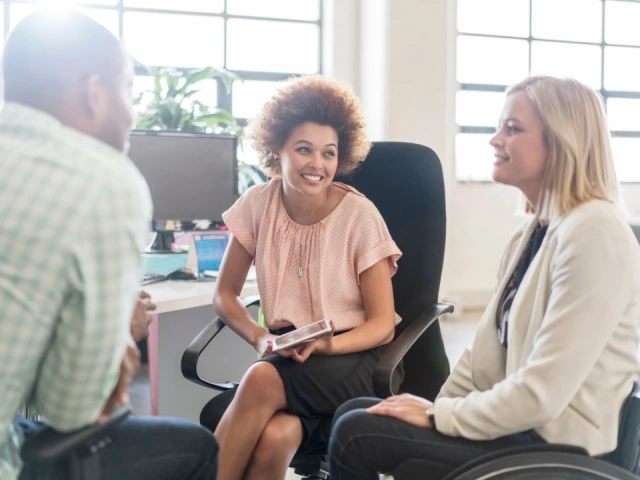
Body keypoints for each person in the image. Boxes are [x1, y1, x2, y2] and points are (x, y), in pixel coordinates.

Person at [328, 75, 640, 480]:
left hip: (557, 442)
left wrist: (439, 416)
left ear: (562, 141)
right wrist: (428, 412)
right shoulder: (532, 232)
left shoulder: (595, 232)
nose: (495, 140)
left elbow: (541, 395)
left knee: (356, 433)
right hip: (521, 426)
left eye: (512, 129)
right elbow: (480, 360)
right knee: (358, 411)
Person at [0, 9, 217, 480]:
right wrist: (120, 329)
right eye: (128, 93)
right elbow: (72, 409)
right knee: (197, 448)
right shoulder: (98, 179)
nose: (131, 115)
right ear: (93, 93)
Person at [206, 75, 403, 480]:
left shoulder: (359, 216)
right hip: (289, 352)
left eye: (328, 153)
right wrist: (260, 337)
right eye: (303, 150)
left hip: (354, 358)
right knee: (276, 437)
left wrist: (327, 346)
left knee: (260, 377)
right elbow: (224, 294)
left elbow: (383, 326)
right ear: (276, 150)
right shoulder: (257, 205)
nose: (318, 164)